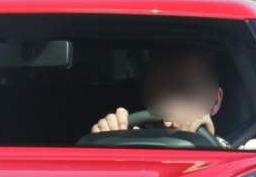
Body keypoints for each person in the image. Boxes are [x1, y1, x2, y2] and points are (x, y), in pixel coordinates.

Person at [92, 46, 224, 137]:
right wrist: (104, 142)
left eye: (187, 88)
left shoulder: (238, 154)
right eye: (165, 85)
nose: (174, 100)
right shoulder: (122, 136)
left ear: (215, 101)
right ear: (146, 93)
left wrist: (209, 143)